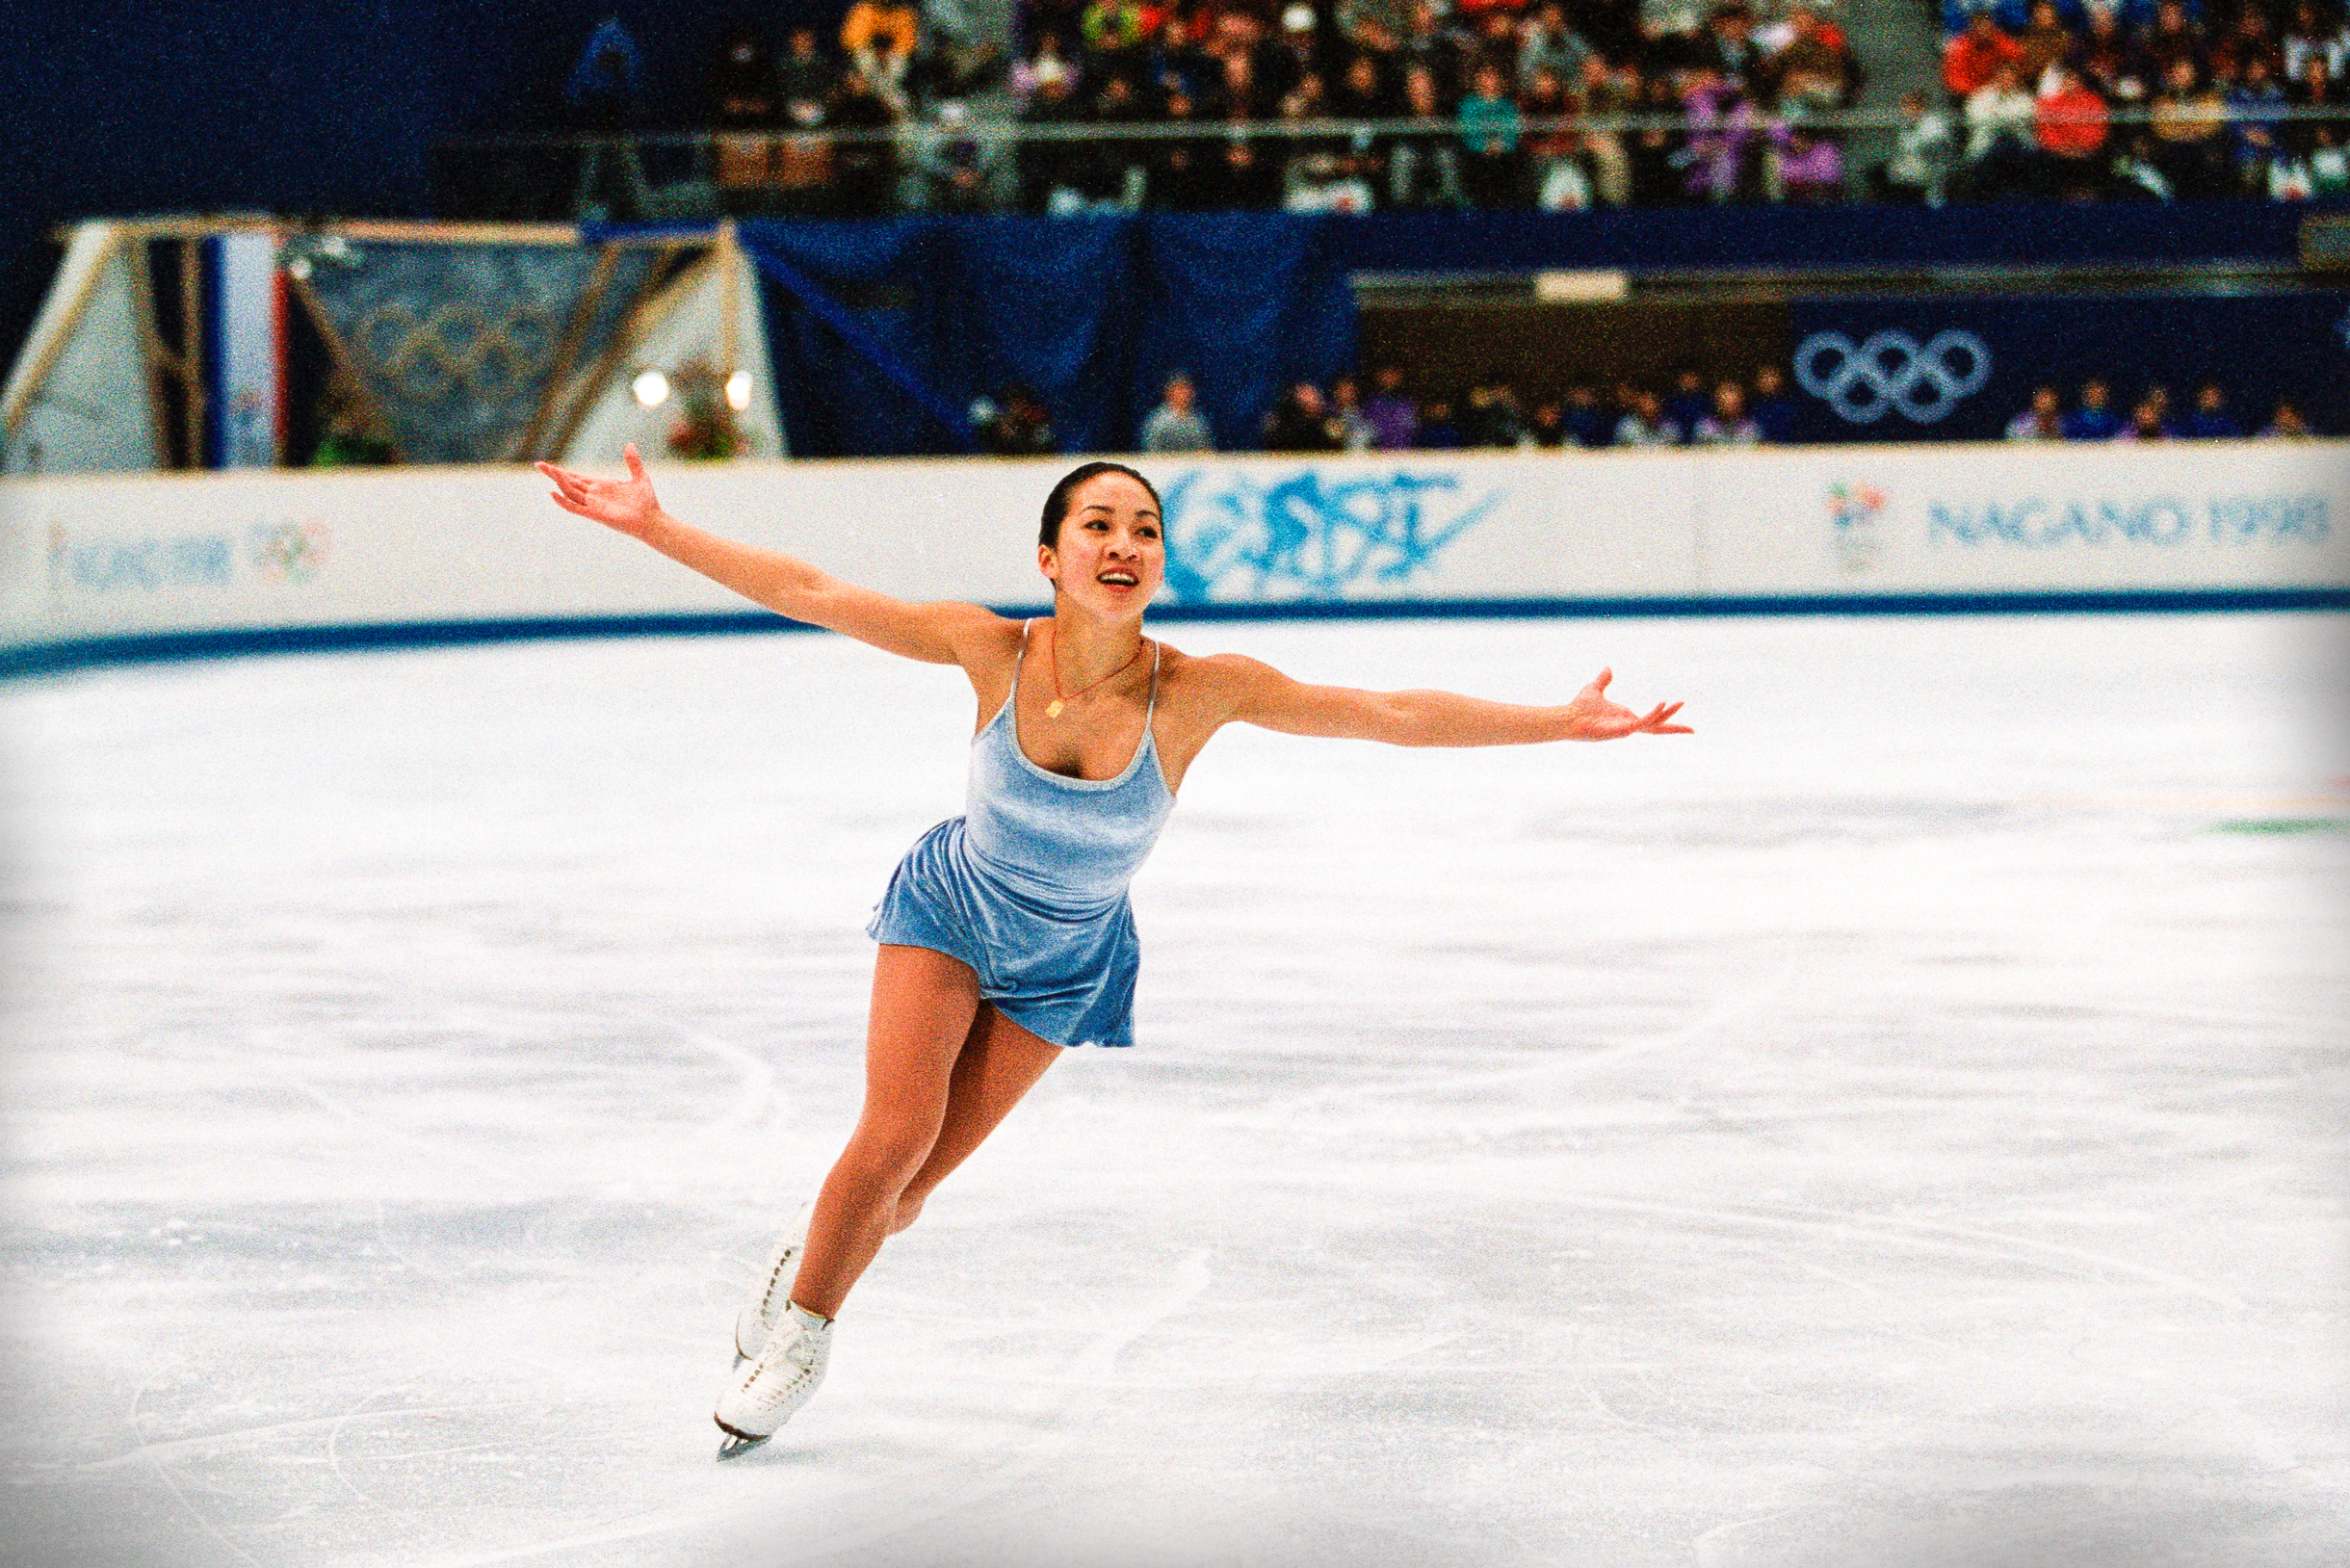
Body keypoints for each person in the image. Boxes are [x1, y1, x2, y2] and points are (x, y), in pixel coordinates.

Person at [531, 450, 1692, 1454]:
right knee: (892, 1135)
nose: (1123, 541)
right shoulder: (986, 648)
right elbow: (812, 589)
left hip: (1070, 958)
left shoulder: (1197, 693)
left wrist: (1557, 721)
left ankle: (810, 1251)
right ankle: (801, 1341)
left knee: (913, 1187)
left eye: (1144, 527)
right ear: (1051, 556)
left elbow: (1386, 711)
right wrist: (660, 525)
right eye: (1098, 523)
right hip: (951, 909)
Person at [1137, 372, 1216, 452]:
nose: (1184, 394)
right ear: (1168, 392)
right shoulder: (1157, 420)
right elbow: (1150, 450)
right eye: (1180, 389)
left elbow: (1205, 450)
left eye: (1187, 389)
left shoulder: (1198, 421)